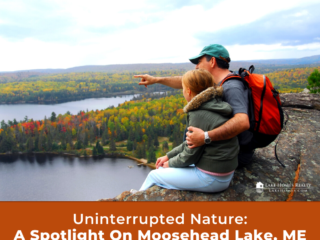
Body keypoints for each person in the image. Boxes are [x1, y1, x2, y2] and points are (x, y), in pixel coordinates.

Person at [134, 44, 253, 167]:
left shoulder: (232, 87)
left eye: (199, 62)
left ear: (212, 61)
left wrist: (205, 137)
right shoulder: (218, 82)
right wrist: (156, 80)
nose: (196, 67)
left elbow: (242, 122)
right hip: (217, 153)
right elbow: (187, 81)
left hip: (230, 157)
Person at [139, 69, 239, 192]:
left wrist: (169, 164)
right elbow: (191, 142)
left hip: (212, 178)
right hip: (223, 173)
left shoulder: (198, 113)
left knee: (154, 175)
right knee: (165, 168)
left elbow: (190, 156)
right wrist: (168, 156)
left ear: (188, 91)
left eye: (183, 88)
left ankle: (134, 201)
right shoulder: (215, 103)